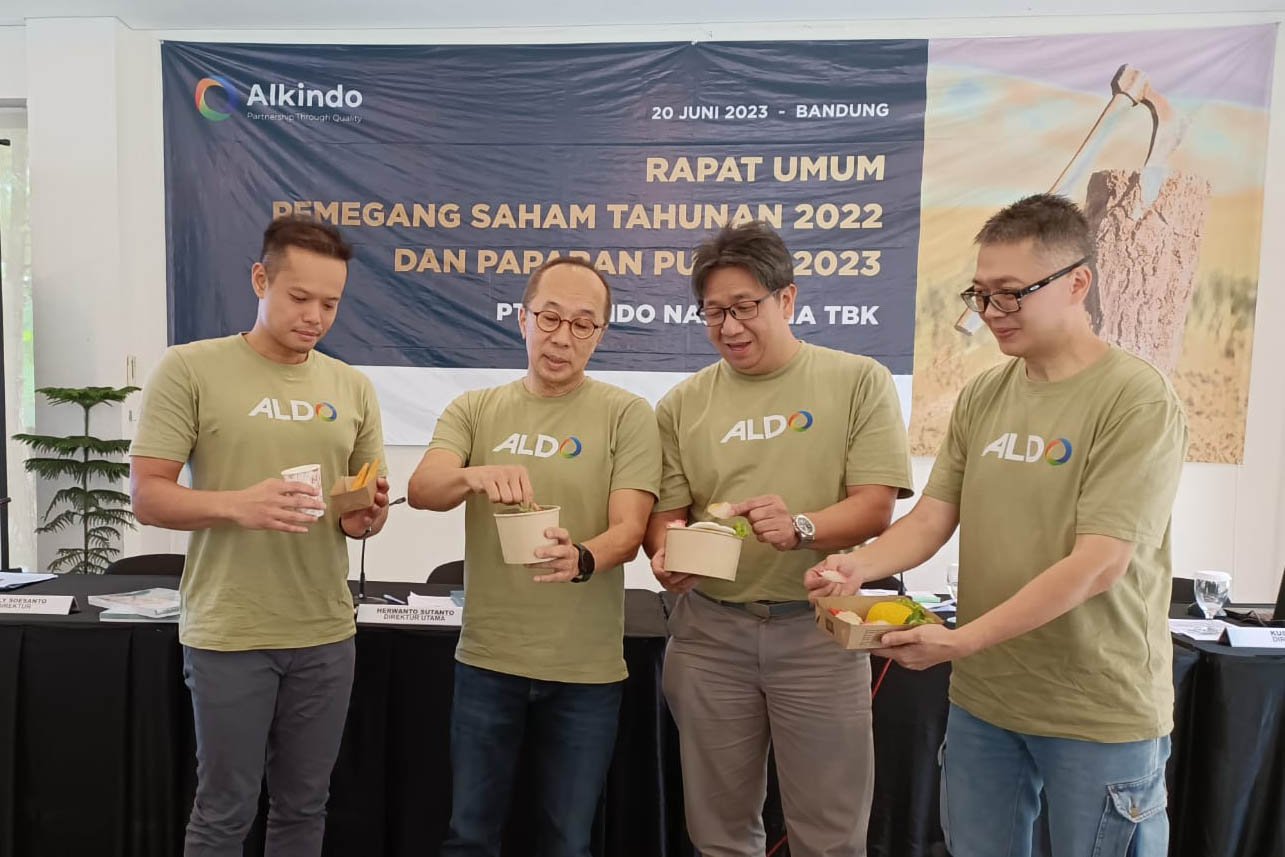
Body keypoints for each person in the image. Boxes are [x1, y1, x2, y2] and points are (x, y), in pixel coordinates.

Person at [806, 194, 1188, 857]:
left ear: (1077, 283)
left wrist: (962, 640)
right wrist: (857, 565)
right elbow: (932, 516)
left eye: (1010, 293)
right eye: (980, 294)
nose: (990, 312)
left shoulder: (1136, 399)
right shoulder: (985, 394)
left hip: (1097, 706)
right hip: (986, 700)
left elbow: (1098, 563)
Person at [643, 221, 913, 857]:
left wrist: (802, 527)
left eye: (744, 307)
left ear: (786, 299)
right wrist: (667, 553)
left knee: (830, 834)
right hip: (710, 636)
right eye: (714, 312)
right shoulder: (681, 404)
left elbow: (875, 507)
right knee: (718, 833)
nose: (730, 327)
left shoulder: (858, 380)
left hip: (818, 632)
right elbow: (668, 514)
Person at [130, 215, 389, 857]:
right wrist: (238, 505)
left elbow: (358, 514)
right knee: (224, 810)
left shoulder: (352, 386)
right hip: (230, 630)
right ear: (259, 280)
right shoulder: (191, 369)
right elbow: (148, 497)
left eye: (330, 303)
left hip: (324, 631)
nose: (315, 317)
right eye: (300, 297)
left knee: (304, 807)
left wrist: (367, 514)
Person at [407, 256, 660, 857]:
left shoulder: (626, 414)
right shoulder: (475, 409)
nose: (562, 337)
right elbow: (422, 490)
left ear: (600, 334)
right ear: (522, 319)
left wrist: (583, 558)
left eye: (582, 323)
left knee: (566, 842)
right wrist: (472, 475)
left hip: (586, 672)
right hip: (487, 660)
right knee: (469, 836)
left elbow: (630, 529)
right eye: (549, 317)